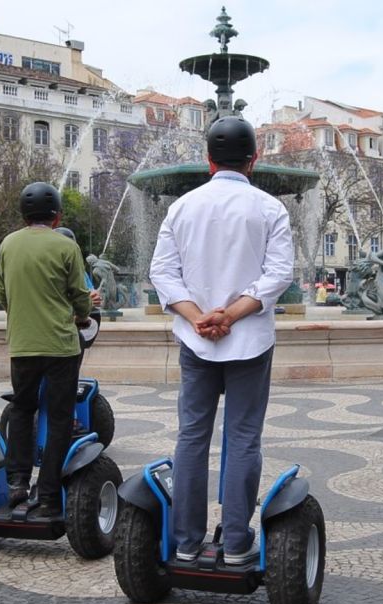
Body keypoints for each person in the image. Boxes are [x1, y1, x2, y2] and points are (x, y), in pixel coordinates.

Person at [149, 115, 294, 565]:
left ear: (208, 159)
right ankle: (234, 543)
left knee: (192, 436)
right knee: (244, 437)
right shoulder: (270, 208)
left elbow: (161, 272)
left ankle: (187, 542)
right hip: (249, 339)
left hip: (196, 343)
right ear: (254, 159)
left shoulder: (182, 207)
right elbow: (279, 276)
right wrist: (231, 314)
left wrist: (197, 318)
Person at [0, 182, 92, 516]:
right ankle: (49, 492)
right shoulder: (65, 245)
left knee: (22, 409)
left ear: (24, 215)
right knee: (61, 417)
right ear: (57, 216)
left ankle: (17, 482)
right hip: (60, 347)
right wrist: (80, 317)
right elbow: (80, 295)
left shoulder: (8, 244)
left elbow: (2, 293)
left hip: (22, 346)